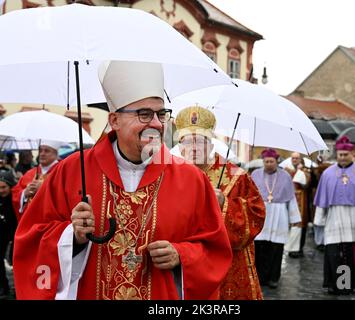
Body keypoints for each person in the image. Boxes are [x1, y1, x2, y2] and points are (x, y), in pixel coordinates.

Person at [13, 60, 232, 300]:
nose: (157, 124)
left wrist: (181, 255)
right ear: (114, 120)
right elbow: (30, 241)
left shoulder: (192, 180)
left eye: (161, 114)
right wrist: (71, 237)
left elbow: (215, 251)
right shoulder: (72, 171)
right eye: (144, 114)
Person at [175, 106, 265, 300]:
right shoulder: (171, 175)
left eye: (199, 141)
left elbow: (256, 217)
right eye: (187, 142)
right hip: (185, 263)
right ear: (180, 147)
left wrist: (224, 202)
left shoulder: (236, 176)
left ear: (211, 145)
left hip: (227, 266)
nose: (194, 148)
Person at [313, 136, 355, 294]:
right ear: (336, 154)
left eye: (346, 154)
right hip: (335, 220)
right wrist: (320, 220)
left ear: (352, 154)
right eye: (340, 154)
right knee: (336, 255)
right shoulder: (328, 174)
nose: (343, 157)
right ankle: (339, 285)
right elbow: (322, 201)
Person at [251, 149, 301, 288]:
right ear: (263, 161)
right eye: (266, 161)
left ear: (276, 161)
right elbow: (250, 197)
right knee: (260, 249)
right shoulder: (255, 174)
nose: (269, 164)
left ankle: (274, 278)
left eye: (271, 161)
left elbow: (291, 199)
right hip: (262, 215)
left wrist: (294, 218)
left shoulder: (285, 176)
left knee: (276, 249)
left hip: (280, 215)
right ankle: (260, 278)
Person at [12, 140, 63, 219]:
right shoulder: (30, 173)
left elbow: (65, 194)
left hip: (51, 219)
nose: (42, 154)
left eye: (46, 151)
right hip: (30, 220)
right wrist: (24, 193)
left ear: (56, 154)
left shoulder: (62, 171)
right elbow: (15, 192)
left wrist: (44, 188)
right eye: (40, 150)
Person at [284, 152, 311, 258]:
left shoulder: (305, 170)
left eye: (297, 158)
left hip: (301, 199)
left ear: (300, 159)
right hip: (289, 198)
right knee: (289, 224)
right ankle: (290, 248)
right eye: (293, 158)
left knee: (301, 224)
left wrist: (298, 172)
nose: (294, 160)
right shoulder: (286, 170)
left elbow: (307, 184)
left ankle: (299, 248)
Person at [0, 171, 18, 299]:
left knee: (15, 261)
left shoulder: (15, 200)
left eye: (3, 187)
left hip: (15, 235)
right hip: (2, 235)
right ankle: (4, 287)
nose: (1, 191)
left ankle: (18, 287)